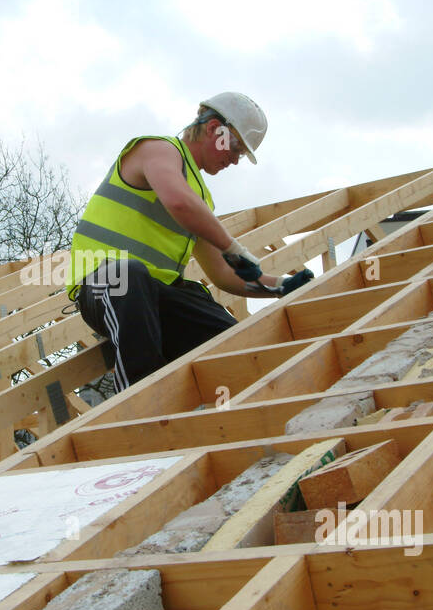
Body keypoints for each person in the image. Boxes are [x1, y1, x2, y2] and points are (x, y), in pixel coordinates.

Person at [66, 92, 314, 393]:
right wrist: (232, 247)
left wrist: (279, 286)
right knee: (131, 274)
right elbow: (178, 202)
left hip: (155, 299)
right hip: (107, 286)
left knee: (232, 346)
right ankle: (139, 401)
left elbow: (223, 274)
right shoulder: (157, 150)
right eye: (235, 148)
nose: (235, 160)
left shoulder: (199, 200)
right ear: (213, 129)